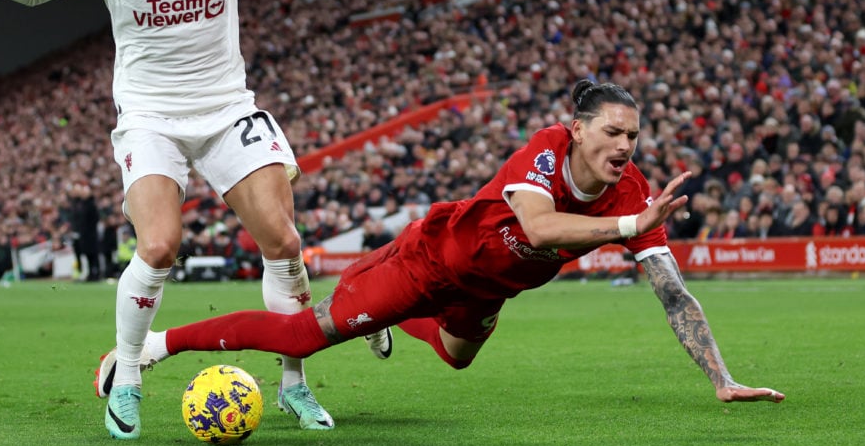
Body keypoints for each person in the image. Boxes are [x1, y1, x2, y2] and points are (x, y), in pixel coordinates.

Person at [0, 0, 372, 439]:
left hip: (225, 111)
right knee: (161, 245)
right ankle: (130, 377)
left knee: (283, 238)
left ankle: (294, 387)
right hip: (150, 119)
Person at [125, 81, 785, 411]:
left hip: (487, 289)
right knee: (300, 336)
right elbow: (538, 229)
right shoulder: (545, 153)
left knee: (457, 355)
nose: (624, 147)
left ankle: (377, 324)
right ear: (578, 129)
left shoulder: (635, 194)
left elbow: (674, 291)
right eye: (612, 132)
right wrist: (625, 228)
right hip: (428, 261)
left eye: (633, 138)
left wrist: (722, 379)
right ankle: (156, 345)